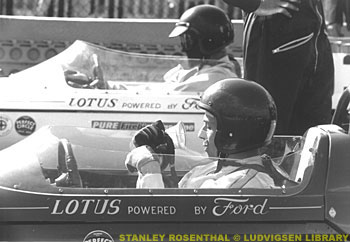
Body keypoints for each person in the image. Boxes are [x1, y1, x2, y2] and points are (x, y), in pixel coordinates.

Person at [125, 78, 293, 189]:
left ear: (231, 133)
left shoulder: (245, 184)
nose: (201, 134)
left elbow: (167, 226)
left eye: (208, 127)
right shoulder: (218, 168)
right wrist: (165, 160)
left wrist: (149, 168)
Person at [219, 0, 334, 135]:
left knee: (315, 135)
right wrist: (254, 3)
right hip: (276, 32)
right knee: (268, 128)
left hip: (315, 31)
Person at [164, 5, 239, 92]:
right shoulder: (206, 69)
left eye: (188, 41)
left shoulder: (216, 77)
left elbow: (170, 92)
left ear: (208, 41)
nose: (183, 49)